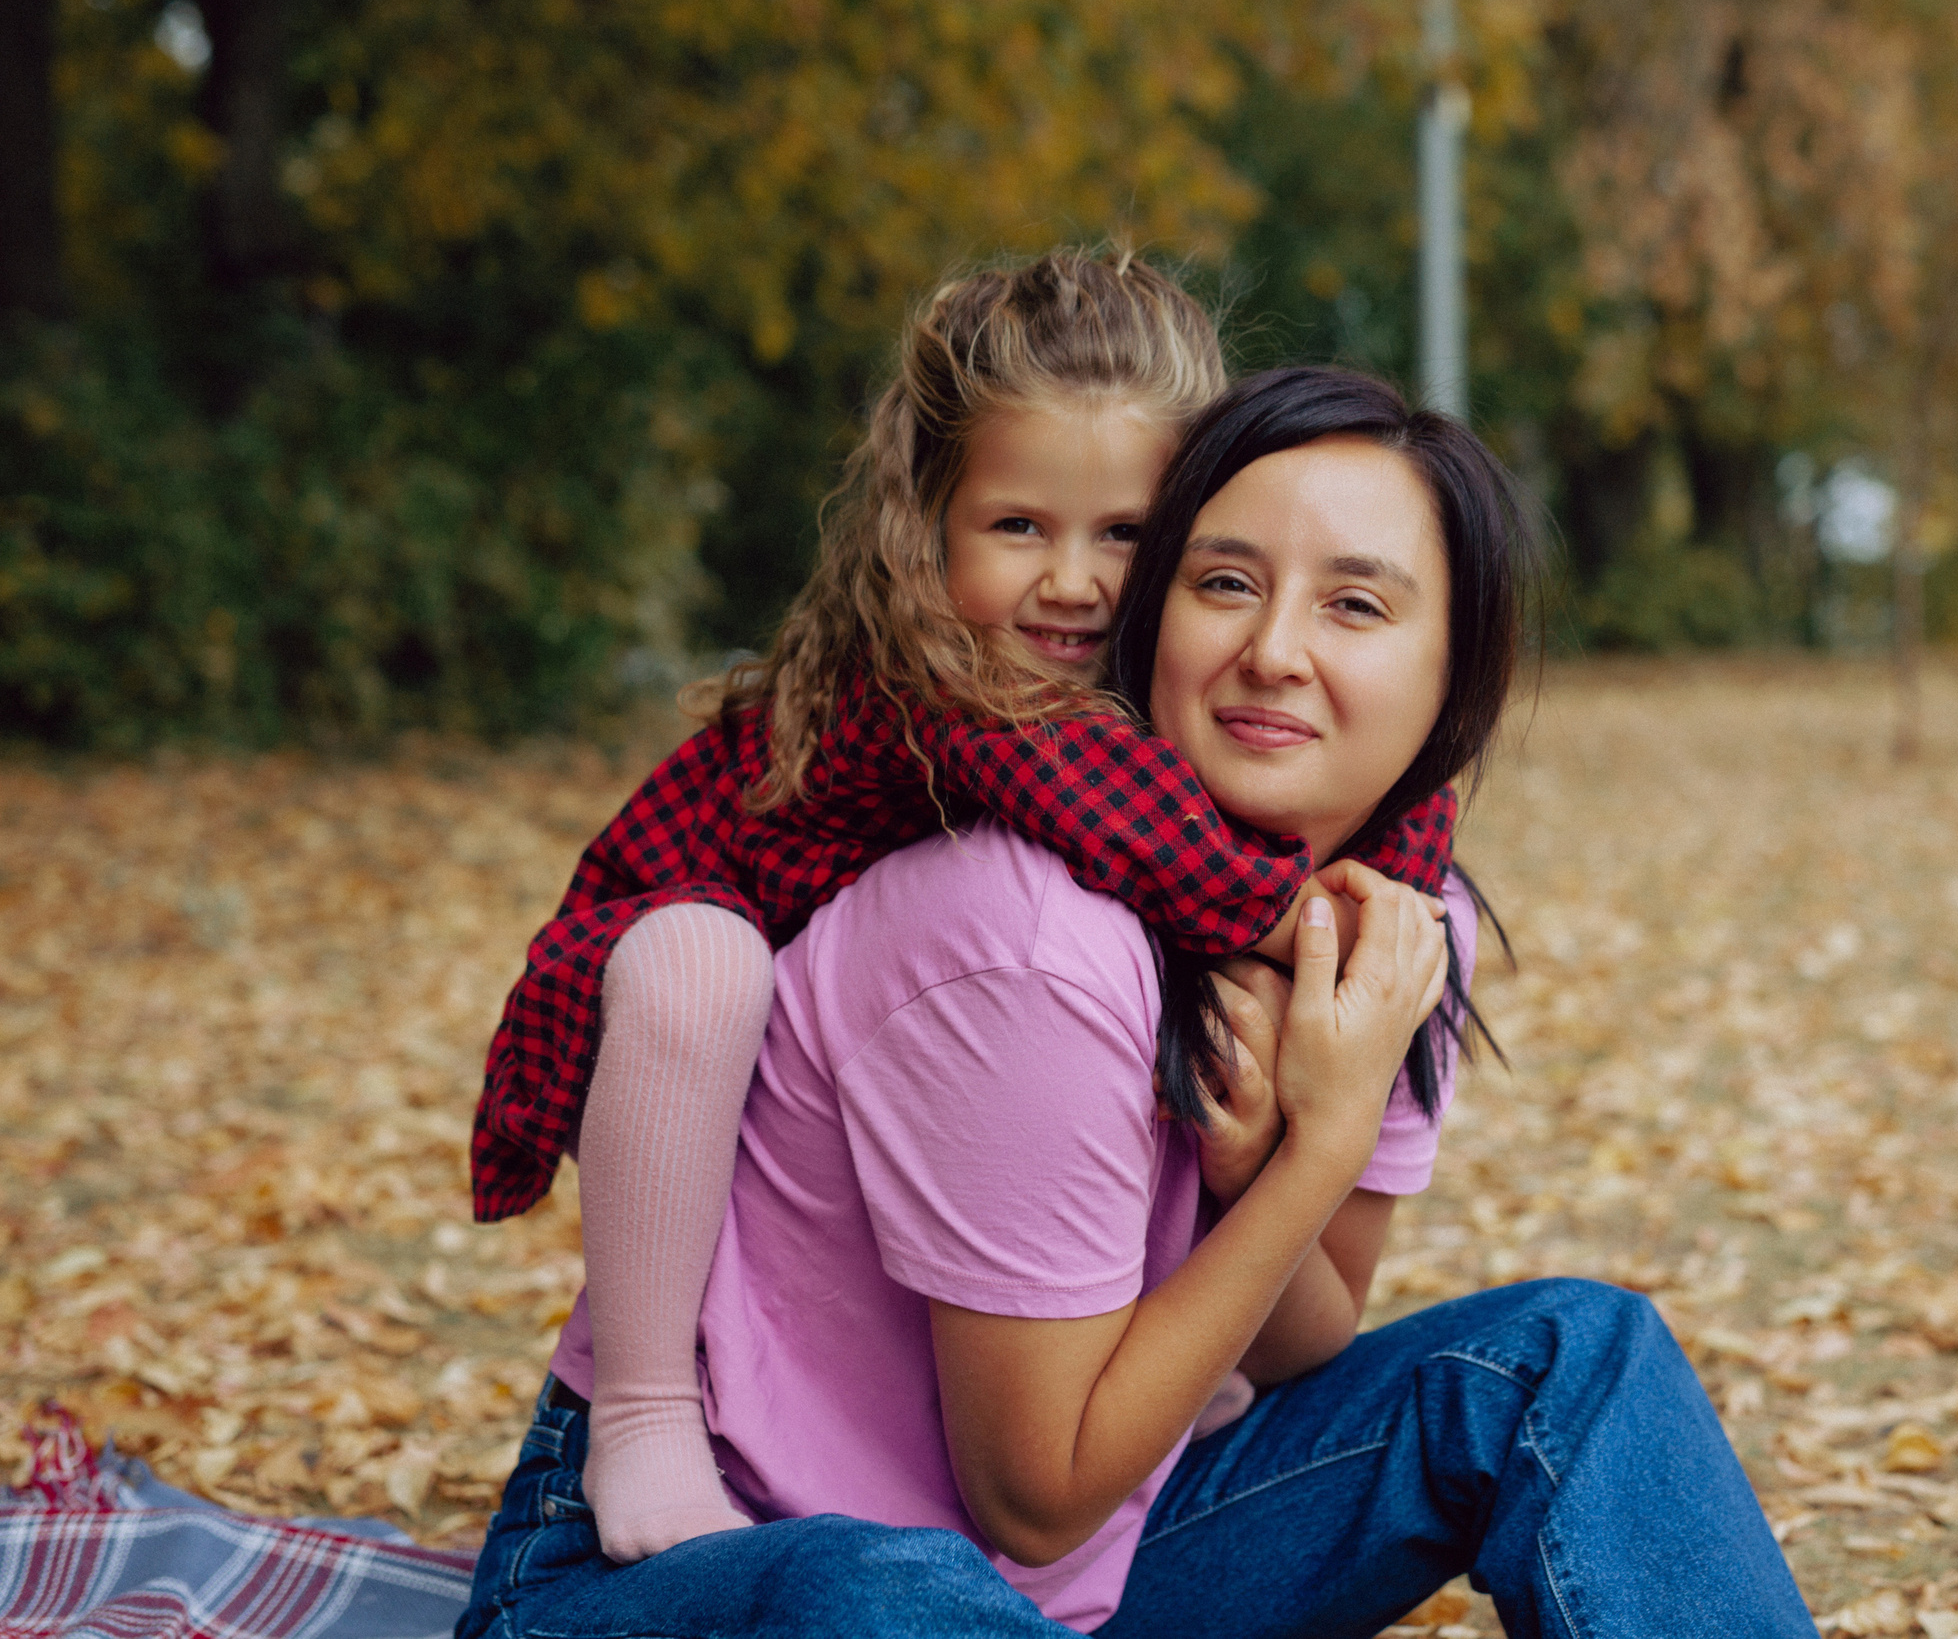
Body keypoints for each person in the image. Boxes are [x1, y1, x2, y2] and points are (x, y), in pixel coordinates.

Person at [460, 369, 1820, 1639]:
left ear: (1452, 674)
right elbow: (1036, 1499)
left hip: (1085, 1562)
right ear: (1151, 610)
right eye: (1226, 582)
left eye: (1356, 605)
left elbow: (1308, 1337)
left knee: (1572, 1359)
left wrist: (1254, 1176)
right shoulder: (1028, 932)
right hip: (702, 1570)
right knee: (886, 1592)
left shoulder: (1401, 927)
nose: (1275, 650)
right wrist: (1320, 1147)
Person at [470, 258, 1457, 1563]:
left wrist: (1411, 857)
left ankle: (1142, 1343)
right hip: (658, 964)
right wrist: (1339, 926)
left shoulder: (1157, 710)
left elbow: (1354, 805)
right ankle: (648, 1409)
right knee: (695, 967)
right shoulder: (959, 690)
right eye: (1019, 528)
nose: (1075, 583)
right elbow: (1163, 843)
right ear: (928, 527)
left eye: (1124, 535)